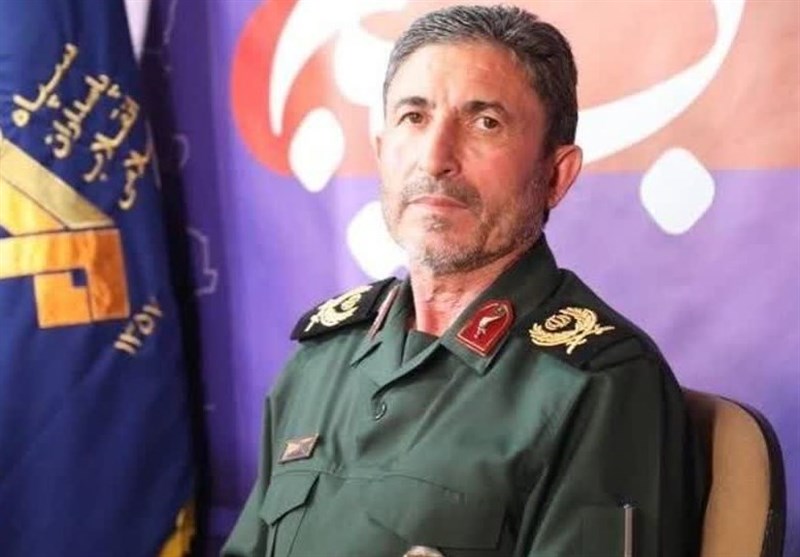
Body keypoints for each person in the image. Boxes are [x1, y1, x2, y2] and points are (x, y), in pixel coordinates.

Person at [223, 5, 706, 556]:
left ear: (555, 175)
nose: (435, 159)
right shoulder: (320, 360)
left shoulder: (599, 385)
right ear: (381, 153)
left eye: (485, 123)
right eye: (414, 117)